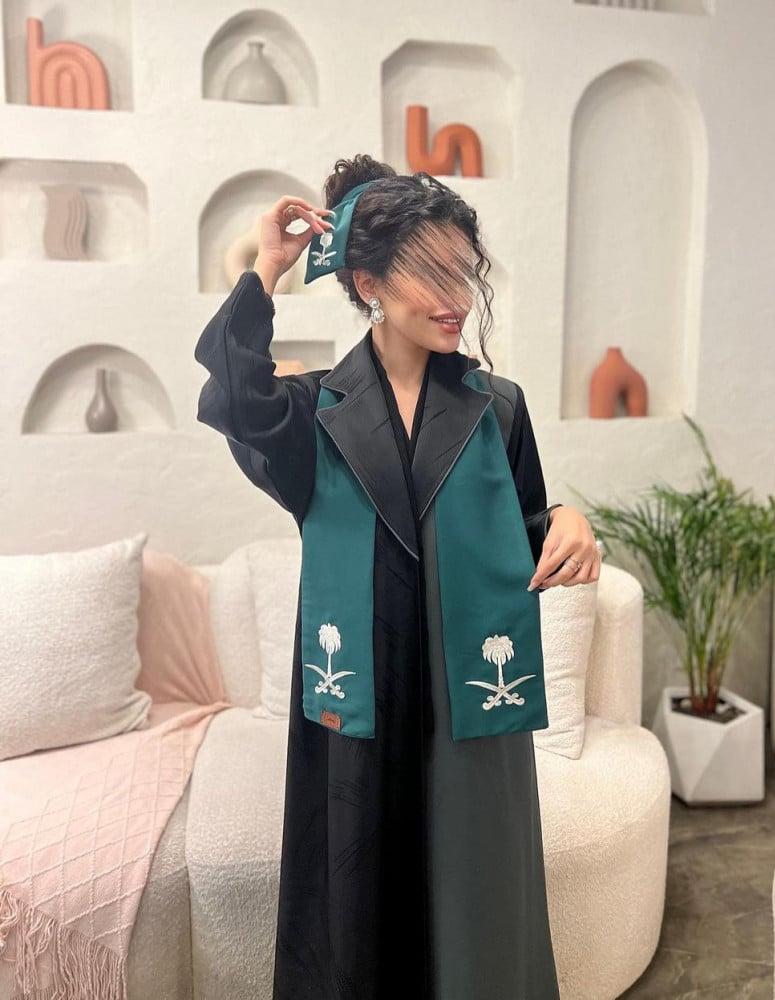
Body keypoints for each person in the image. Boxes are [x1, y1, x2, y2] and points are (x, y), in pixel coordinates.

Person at [194, 154, 601, 1000]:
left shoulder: (498, 408)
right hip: (360, 709)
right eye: (432, 274)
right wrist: (267, 267)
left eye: (464, 273)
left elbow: (521, 528)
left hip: (469, 711)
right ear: (368, 282)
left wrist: (567, 519)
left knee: (477, 916)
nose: (457, 297)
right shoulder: (312, 413)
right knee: (359, 917)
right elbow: (231, 394)